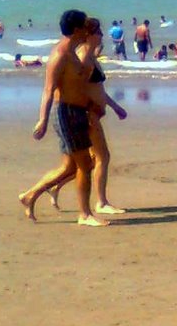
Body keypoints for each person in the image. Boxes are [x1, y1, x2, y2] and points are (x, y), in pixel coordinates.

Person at [18, 9, 106, 227]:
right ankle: (84, 214)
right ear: (77, 29)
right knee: (85, 165)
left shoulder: (72, 52)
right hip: (66, 113)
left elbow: (78, 84)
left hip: (75, 112)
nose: (89, 29)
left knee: (69, 167)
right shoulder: (60, 55)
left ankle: (30, 195)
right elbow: (49, 90)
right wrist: (42, 121)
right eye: (85, 26)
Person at [47, 18, 127, 216]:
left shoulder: (92, 56)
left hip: (94, 114)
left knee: (89, 161)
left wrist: (115, 107)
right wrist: (88, 109)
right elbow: (77, 87)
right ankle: (100, 202)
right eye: (98, 32)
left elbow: (97, 89)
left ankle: (55, 188)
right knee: (100, 158)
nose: (101, 35)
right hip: (87, 114)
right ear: (89, 34)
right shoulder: (83, 56)